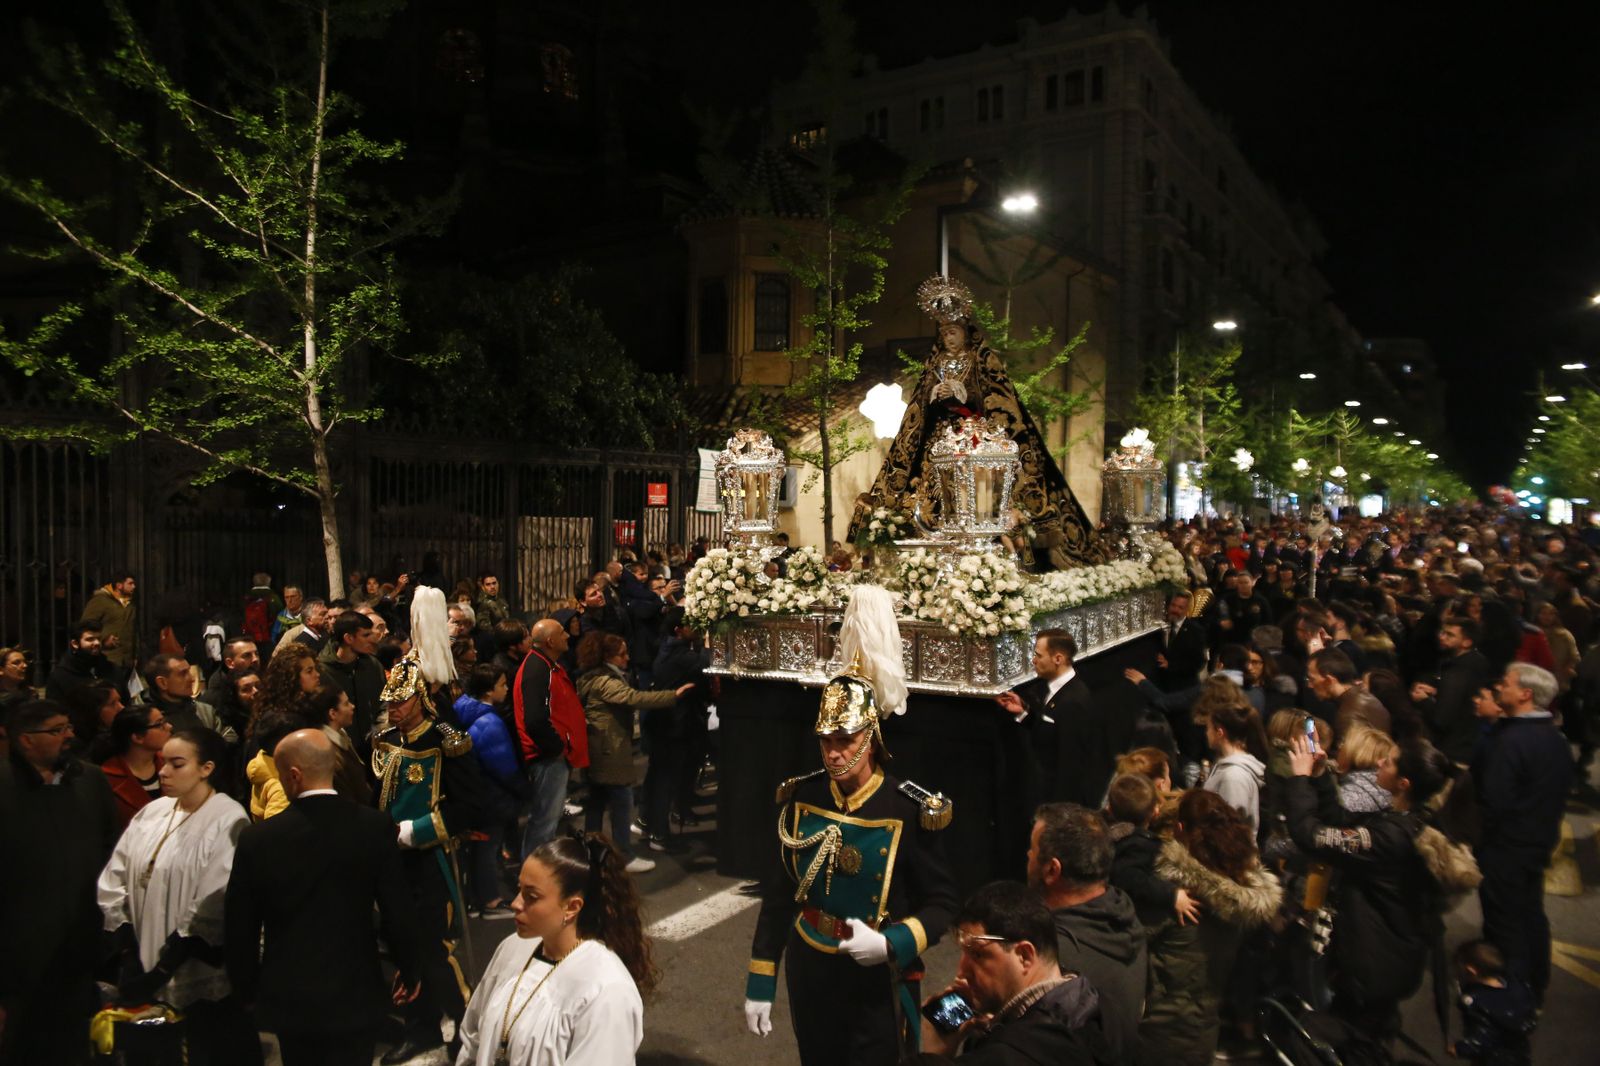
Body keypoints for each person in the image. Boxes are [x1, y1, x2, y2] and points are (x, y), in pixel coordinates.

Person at [745, 586, 957, 1066]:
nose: (835, 752)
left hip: (874, 975)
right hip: (810, 961)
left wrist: (892, 943)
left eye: (846, 740)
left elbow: (943, 903)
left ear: (871, 737)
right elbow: (781, 895)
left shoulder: (908, 808)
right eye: (826, 741)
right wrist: (761, 978)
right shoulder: (804, 796)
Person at [845, 275, 1107, 568]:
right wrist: (935, 394)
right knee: (927, 487)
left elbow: (998, 399)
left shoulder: (981, 358)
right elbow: (918, 406)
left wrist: (961, 394)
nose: (948, 337)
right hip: (940, 441)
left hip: (975, 438)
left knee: (980, 491)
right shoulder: (935, 363)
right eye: (944, 333)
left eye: (953, 331)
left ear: (965, 332)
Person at [225, 729, 424, 1066]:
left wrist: (245, 990)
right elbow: (397, 907)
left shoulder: (257, 840)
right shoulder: (373, 827)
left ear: (292, 775)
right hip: (356, 987)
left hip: (290, 994)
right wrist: (410, 967)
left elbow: (240, 926)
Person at [1283, 734, 1481, 1054]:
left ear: (1403, 782)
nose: (1379, 762)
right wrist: (1320, 778)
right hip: (1392, 958)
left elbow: (1313, 836)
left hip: (1373, 964)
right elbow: (1343, 827)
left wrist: (1300, 779)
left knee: (1352, 1041)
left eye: (1387, 761)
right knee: (1369, 1033)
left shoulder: (1392, 836)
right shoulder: (1410, 819)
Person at [97, 726, 257, 1065]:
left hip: (191, 967)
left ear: (207, 769)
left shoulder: (227, 818)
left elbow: (215, 896)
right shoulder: (153, 812)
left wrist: (166, 966)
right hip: (142, 952)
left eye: (176, 764)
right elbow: (116, 874)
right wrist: (126, 943)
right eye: (162, 762)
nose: (163, 772)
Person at [371, 649, 491, 1063]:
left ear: (419, 699)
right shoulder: (386, 743)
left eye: (400, 701)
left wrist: (417, 831)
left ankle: (466, 1026)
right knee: (403, 950)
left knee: (437, 951)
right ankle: (420, 1027)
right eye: (389, 702)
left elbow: (471, 806)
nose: (393, 709)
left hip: (432, 861)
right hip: (391, 863)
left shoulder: (447, 743)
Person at [458, 833, 653, 1065]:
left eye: (531, 896)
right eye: (519, 890)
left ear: (571, 907)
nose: (515, 903)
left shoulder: (606, 990)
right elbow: (473, 1038)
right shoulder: (513, 947)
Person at [0, 699, 121, 1065]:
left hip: (81, 951)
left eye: (68, 727)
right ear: (26, 741)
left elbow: (110, 851)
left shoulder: (91, 779)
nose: (69, 736)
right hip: (19, 960)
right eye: (56, 730)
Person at [1140, 789, 1283, 1066]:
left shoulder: (1176, 895)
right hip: (1203, 1027)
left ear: (1179, 829)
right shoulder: (1239, 894)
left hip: (1158, 1030)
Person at [911, 881, 1107, 1065]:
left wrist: (936, 1054)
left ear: (1024, 956)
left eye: (978, 954)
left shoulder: (1005, 1056)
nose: (962, 971)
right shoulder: (1105, 1011)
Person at [1473, 663, 1571, 1002]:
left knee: (1504, 923)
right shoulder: (1553, 736)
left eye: (1506, 682)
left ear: (1525, 694)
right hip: (1537, 843)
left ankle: (1508, 996)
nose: (1500, 686)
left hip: (1507, 847)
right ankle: (1534, 983)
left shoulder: (1511, 740)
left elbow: (1495, 800)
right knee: (1529, 913)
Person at [1026, 802, 1147, 1061]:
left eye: (1033, 849)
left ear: (1052, 870)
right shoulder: (1126, 916)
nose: (1027, 854)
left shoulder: (1050, 957)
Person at [574, 631, 691, 874]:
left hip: (600, 747)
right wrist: (673, 695)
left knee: (597, 802)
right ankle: (622, 855)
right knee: (621, 802)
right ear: (607, 657)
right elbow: (632, 698)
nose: (627, 658)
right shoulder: (606, 682)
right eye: (622, 654)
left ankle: (591, 852)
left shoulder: (592, 677)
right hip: (609, 749)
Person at [996, 628, 1106, 809]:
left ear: (1058, 659)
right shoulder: (1058, 691)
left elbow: (1070, 765)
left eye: (1039, 655)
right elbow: (1049, 733)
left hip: (1059, 804)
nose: (1034, 660)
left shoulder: (1073, 702)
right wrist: (1023, 713)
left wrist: (1057, 813)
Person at [512, 618, 591, 859]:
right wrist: (557, 747)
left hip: (552, 756)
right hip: (547, 759)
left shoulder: (545, 664)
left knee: (547, 819)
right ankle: (535, 882)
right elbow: (535, 719)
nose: (567, 635)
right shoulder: (537, 670)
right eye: (562, 632)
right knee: (544, 821)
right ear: (550, 641)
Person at [454, 663, 523, 916]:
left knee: (477, 850)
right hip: (491, 797)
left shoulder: (461, 707)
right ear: (488, 691)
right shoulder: (489, 723)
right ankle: (490, 901)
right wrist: (522, 789)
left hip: (473, 793)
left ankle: (474, 900)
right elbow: (503, 766)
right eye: (502, 685)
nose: (506, 689)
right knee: (487, 848)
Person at [1106, 771, 1201, 932]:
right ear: (1156, 811)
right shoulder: (1139, 845)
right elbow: (1132, 877)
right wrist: (1171, 895)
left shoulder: (1110, 835)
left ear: (1109, 809)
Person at [1412, 618, 1492, 763]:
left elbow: (1441, 719)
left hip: (1452, 749)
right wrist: (1438, 691)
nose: (1442, 637)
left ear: (1466, 642)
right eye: (1442, 632)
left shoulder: (1457, 671)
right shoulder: (1477, 660)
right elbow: (1466, 695)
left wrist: (1423, 700)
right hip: (1468, 741)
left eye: (1450, 635)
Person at [1448, 939, 1537, 1066]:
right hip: (1517, 1052)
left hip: (1493, 1059)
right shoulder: (1515, 985)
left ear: (1471, 971)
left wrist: (1460, 1049)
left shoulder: (1478, 1003)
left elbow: (1482, 1037)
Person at [1200, 691, 1269, 835]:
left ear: (1220, 732)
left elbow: (1231, 828)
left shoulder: (1234, 776)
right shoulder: (1226, 767)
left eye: (1208, 728)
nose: (1206, 733)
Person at [316, 610, 386, 747]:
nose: (373, 639)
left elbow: (384, 704)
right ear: (348, 638)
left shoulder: (372, 665)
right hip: (340, 748)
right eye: (366, 635)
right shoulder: (322, 672)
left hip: (373, 746)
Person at [100, 705, 172, 826]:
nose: (169, 726)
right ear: (137, 737)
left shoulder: (172, 764)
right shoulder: (107, 777)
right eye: (160, 724)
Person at [302, 683, 371, 803]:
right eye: (346, 704)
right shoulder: (327, 752)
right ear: (333, 713)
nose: (352, 706)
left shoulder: (341, 738)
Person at [79, 571, 137, 675]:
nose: (134, 586)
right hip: (107, 657)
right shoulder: (100, 601)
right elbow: (85, 626)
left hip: (126, 661)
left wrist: (135, 656)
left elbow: (134, 631)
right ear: (119, 585)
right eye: (130, 583)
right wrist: (103, 640)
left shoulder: (129, 604)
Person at [46, 621, 117, 702]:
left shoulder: (111, 669)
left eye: (99, 639)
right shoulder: (60, 676)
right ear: (75, 643)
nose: (97, 643)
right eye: (90, 639)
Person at [1335, 724, 1398, 814]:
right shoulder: (1380, 791)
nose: (1339, 747)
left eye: (1343, 743)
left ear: (1357, 752)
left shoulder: (1352, 797)